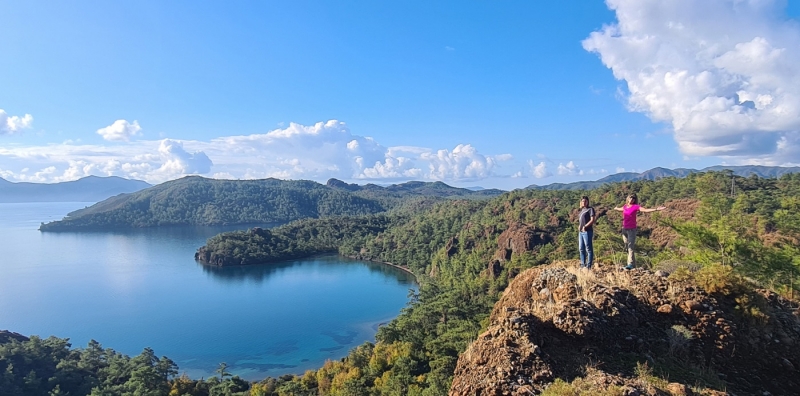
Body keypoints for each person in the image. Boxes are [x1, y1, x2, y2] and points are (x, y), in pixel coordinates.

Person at [613, 194, 665, 269]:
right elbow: (620, 209)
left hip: (632, 230)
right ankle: (632, 265)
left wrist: (656, 209)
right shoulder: (625, 206)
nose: (632, 199)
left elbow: (645, 210)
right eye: (631, 198)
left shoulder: (636, 207)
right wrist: (616, 208)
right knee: (627, 247)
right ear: (628, 198)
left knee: (630, 247)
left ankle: (630, 264)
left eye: (633, 198)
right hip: (624, 229)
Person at [577, 196, 596, 269]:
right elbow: (581, 220)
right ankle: (582, 264)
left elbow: (592, 220)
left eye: (585, 201)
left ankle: (588, 265)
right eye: (582, 201)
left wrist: (585, 226)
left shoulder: (590, 209)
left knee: (588, 249)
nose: (584, 202)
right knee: (581, 248)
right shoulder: (582, 210)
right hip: (581, 232)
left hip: (587, 231)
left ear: (588, 202)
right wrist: (580, 226)